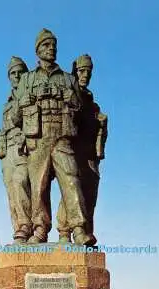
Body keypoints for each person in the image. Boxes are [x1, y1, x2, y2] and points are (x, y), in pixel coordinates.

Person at [12, 29, 95, 245]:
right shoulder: (27, 79)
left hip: (62, 137)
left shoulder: (69, 79)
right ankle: (40, 229)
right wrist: (23, 103)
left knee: (71, 181)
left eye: (54, 46)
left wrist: (72, 99)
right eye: (47, 46)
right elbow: (14, 118)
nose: (51, 49)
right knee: (38, 186)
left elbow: (83, 115)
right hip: (37, 138)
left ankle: (78, 229)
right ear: (38, 50)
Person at [57, 54, 108, 244]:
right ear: (74, 71)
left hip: (89, 153)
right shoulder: (69, 93)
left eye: (88, 71)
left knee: (89, 192)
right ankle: (64, 231)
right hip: (72, 148)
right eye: (81, 71)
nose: (85, 75)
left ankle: (86, 231)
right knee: (71, 187)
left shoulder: (91, 100)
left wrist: (101, 122)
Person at [0, 56, 32, 243]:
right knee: (11, 190)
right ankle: (19, 230)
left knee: (21, 181)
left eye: (20, 72)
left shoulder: (29, 96)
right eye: (12, 73)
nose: (16, 76)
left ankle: (27, 225)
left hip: (24, 147)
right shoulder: (8, 101)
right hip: (7, 148)